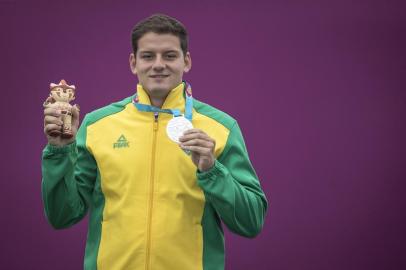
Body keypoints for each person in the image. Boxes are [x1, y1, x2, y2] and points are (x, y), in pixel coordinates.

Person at [42, 14, 268, 270]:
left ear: (187, 61)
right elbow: (62, 216)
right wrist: (59, 150)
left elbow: (251, 221)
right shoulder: (97, 125)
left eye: (170, 55)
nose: (158, 64)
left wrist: (212, 170)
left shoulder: (221, 128)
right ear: (133, 63)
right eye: (148, 56)